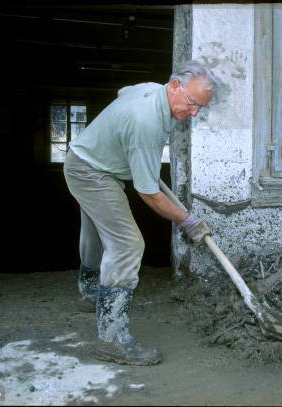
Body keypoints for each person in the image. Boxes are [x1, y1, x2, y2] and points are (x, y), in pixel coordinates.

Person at [63, 61, 217, 365]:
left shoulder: (150, 89)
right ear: (175, 86)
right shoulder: (146, 123)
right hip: (91, 173)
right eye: (192, 103)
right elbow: (149, 193)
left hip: (86, 158)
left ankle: (89, 292)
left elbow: (123, 92)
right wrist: (187, 221)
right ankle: (112, 339)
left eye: (201, 107)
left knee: (96, 233)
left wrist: (123, 138)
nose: (195, 113)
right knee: (127, 244)